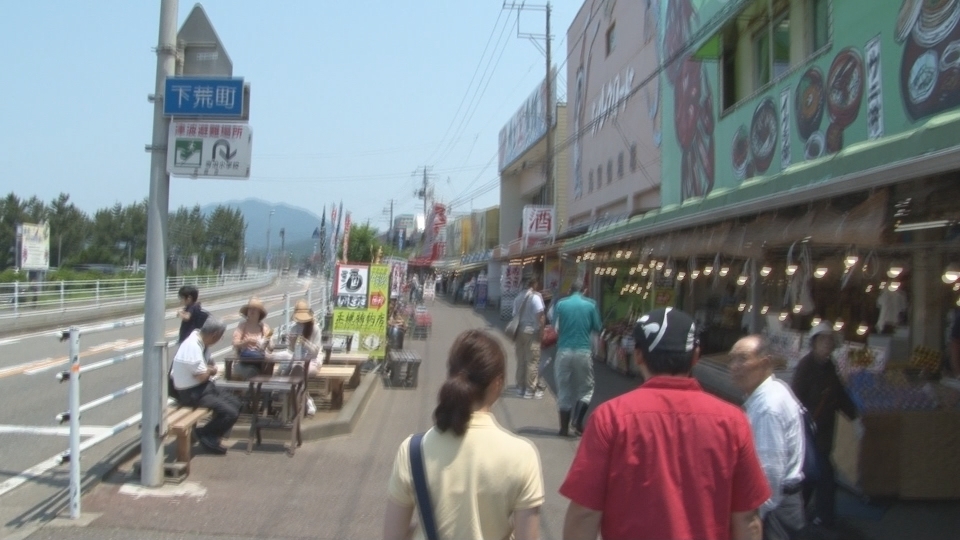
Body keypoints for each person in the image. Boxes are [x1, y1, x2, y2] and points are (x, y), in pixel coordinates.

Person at [560, 307, 770, 540]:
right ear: (695, 357)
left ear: (638, 355)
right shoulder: (733, 422)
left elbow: (584, 514)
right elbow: (747, 518)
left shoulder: (610, 418)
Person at [384, 330, 544, 540]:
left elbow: (392, 535)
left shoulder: (413, 450)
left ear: (452, 376)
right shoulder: (523, 455)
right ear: (497, 383)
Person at [730, 335, 806, 540]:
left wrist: (752, 520)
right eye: (732, 359)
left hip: (775, 509)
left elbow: (769, 473)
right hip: (783, 504)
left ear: (765, 362)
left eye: (742, 359)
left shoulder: (768, 407)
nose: (734, 366)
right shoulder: (773, 391)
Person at [791, 322, 859, 532]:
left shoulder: (829, 367)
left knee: (811, 476)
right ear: (814, 343)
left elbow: (838, 395)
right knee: (826, 475)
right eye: (823, 340)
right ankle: (825, 518)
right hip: (810, 432)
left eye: (830, 340)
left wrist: (855, 417)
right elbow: (795, 399)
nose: (827, 344)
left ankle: (799, 513)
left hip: (824, 431)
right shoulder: (805, 367)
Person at [171, 318, 241, 455]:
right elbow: (202, 376)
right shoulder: (192, 346)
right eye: (220, 337)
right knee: (230, 412)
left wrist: (209, 370)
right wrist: (211, 370)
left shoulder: (202, 342)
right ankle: (203, 434)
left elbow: (208, 366)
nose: (219, 340)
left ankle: (212, 435)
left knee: (237, 403)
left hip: (203, 387)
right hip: (191, 393)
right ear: (214, 335)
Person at [552, 281, 602, 437]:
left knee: (563, 387)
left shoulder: (560, 305)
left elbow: (555, 327)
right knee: (586, 388)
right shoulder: (591, 305)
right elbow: (598, 327)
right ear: (584, 290)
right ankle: (577, 420)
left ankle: (564, 428)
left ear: (569, 290)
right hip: (583, 350)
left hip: (563, 350)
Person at [512, 277, 546, 399]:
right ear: (534, 283)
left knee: (521, 360)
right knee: (532, 360)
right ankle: (530, 389)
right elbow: (540, 318)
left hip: (519, 331)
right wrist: (542, 333)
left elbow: (514, 315)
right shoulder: (535, 297)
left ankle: (520, 387)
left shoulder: (517, 298)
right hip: (532, 331)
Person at [232, 297, 272, 380]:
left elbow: (271, 347)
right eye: (250, 309)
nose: (252, 311)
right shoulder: (242, 326)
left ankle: (266, 389)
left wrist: (266, 342)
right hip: (246, 358)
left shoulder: (264, 327)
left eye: (255, 309)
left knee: (269, 363)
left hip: (261, 357)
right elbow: (235, 343)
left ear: (259, 313)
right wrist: (246, 342)